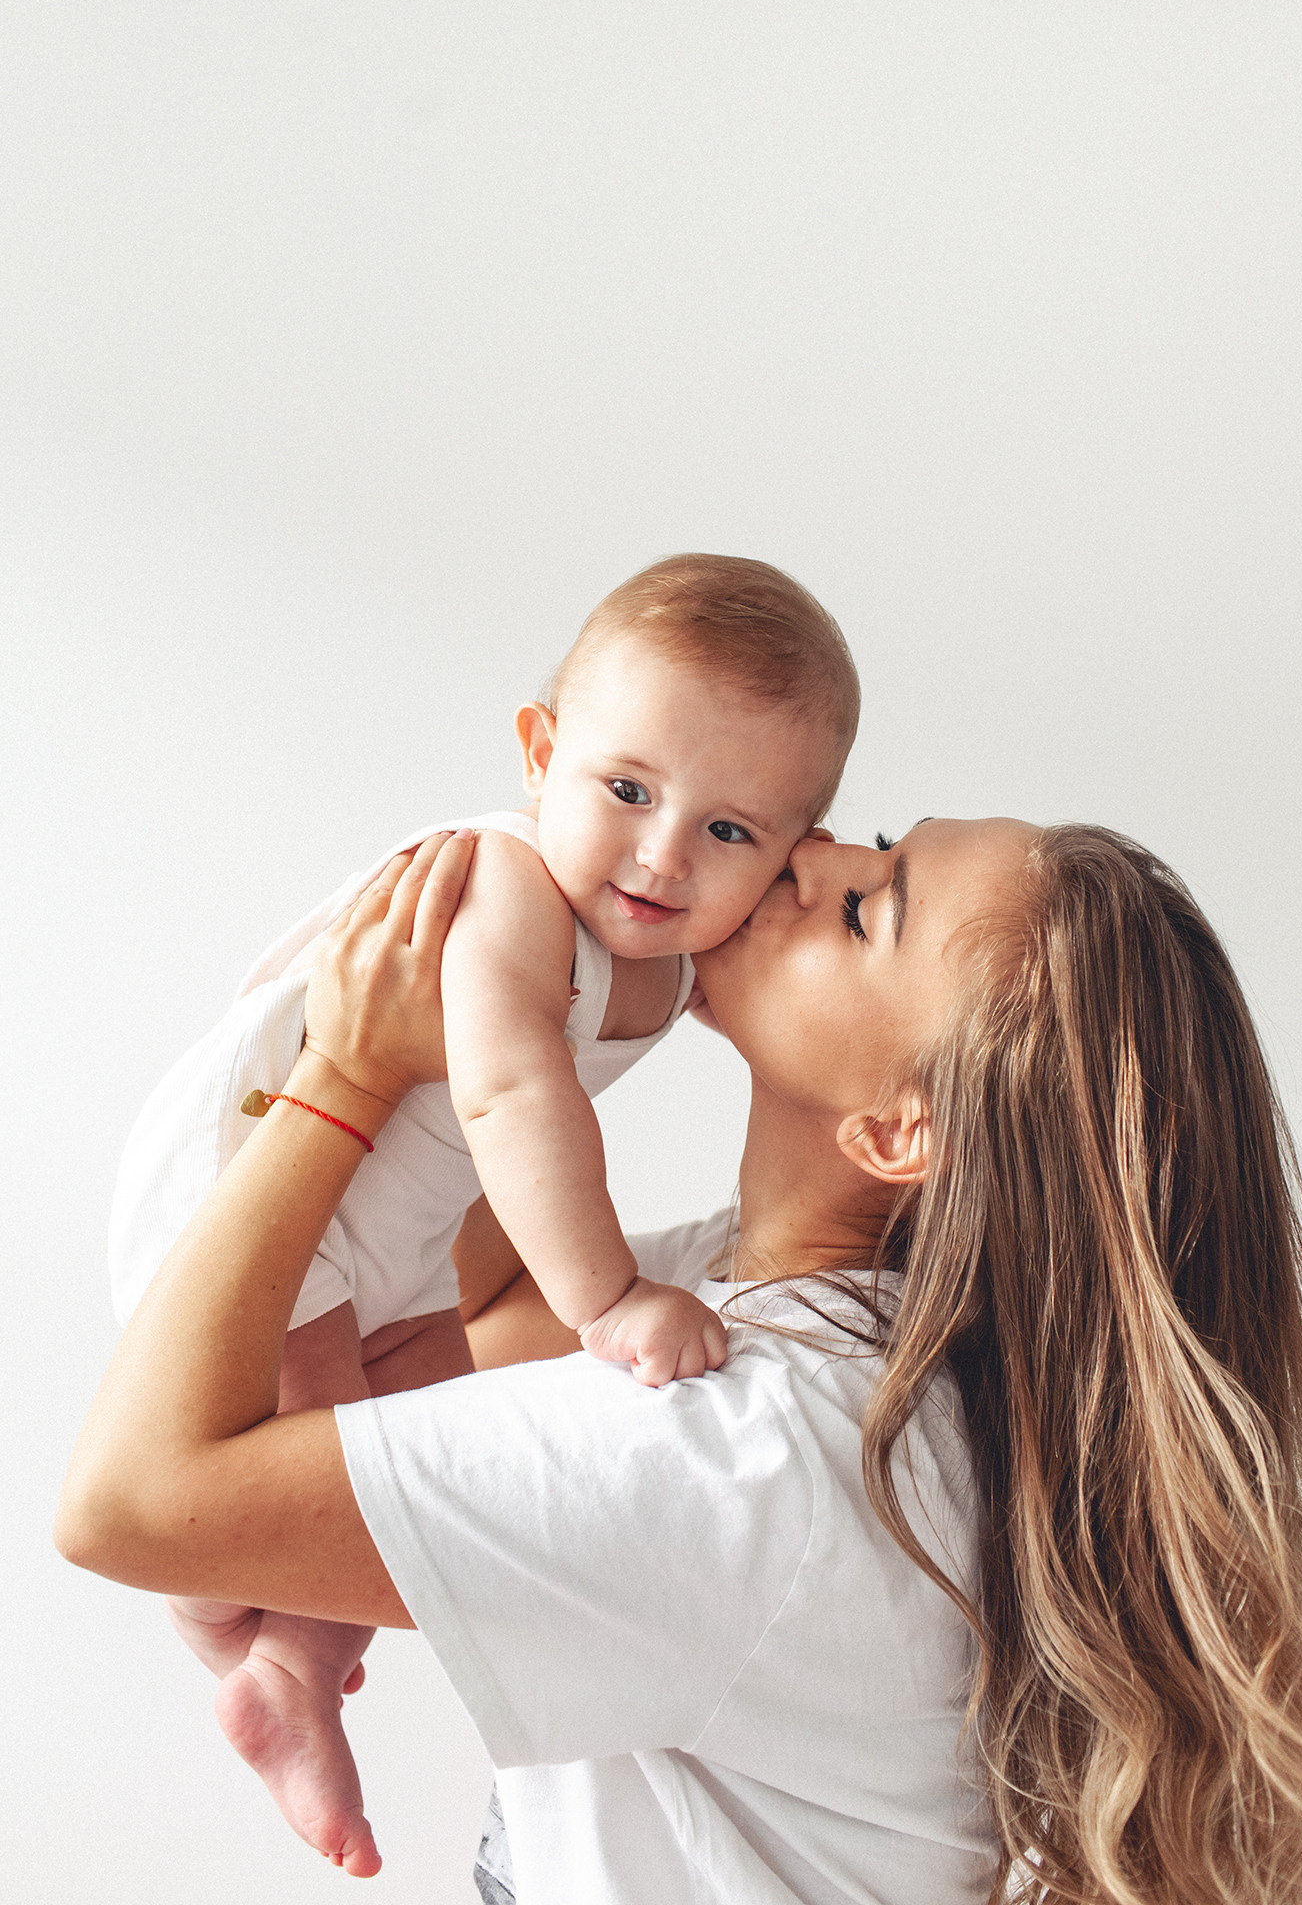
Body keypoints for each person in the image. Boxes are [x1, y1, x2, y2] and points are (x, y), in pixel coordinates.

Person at [59, 819, 1302, 1905]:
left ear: (900, 1128)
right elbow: (501, 1300)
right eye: (866, 842)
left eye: (865, 911)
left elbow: (133, 1504)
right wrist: (497, 1005)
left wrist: (342, 1078)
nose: (804, 856)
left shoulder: (755, 1449)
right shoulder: (814, 1326)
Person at [103, 553, 861, 1874]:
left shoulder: (667, 954)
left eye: (730, 833)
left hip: (381, 1246)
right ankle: (241, 1632)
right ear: (539, 753)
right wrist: (609, 1300)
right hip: (257, 1184)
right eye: (627, 789)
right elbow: (513, 1100)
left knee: (418, 1439)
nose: (662, 852)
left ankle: (276, 1670)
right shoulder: (507, 890)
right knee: (276, 1490)